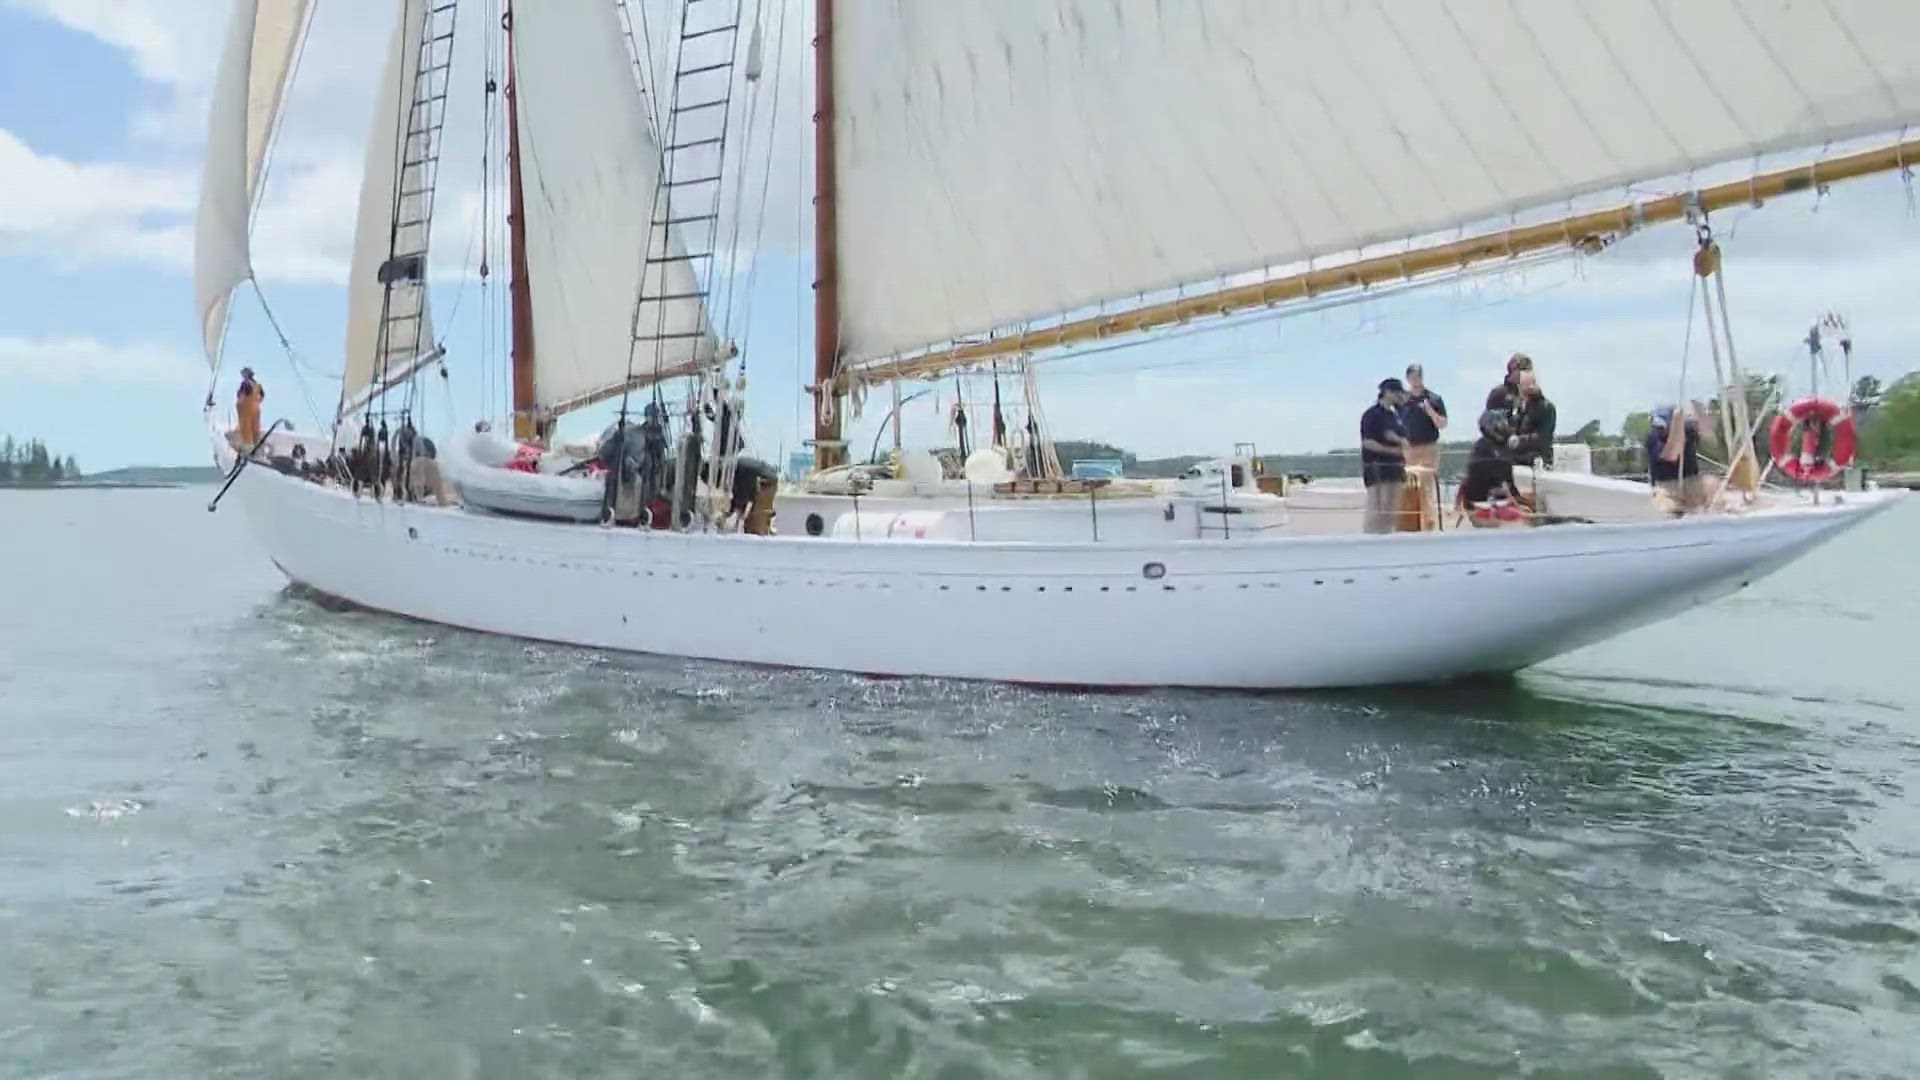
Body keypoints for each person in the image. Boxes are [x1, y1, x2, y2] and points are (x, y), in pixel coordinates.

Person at [1457, 409, 1534, 524]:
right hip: (1497, 506)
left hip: (1475, 507)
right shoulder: (1501, 454)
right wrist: (1524, 504)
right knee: (1532, 501)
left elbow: (1467, 483)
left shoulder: (1478, 449)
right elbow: (1508, 488)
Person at [1359, 377, 1409, 534]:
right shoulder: (1372, 414)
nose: (1399, 396)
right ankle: (1371, 537)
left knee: (1392, 508)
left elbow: (1403, 437)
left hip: (1396, 467)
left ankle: (1387, 535)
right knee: (1379, 505)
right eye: (1397, 393)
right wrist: (1391, 450)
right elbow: (1368, 442)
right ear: (1387, 392)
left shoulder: (1396, 416)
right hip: (1378, 466)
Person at [1646, 404, 1706, 514]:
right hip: (1666, 488)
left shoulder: (1689, 432)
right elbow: (1672, 455)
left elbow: (1709, 439)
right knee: (1666, 509)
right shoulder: (1654, 438)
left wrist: (1698, 412)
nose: (1660, 429)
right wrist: (1678, 426)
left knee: (1715, 490)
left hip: (1692, 483)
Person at [1398, 363, 1447, 471]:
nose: (1416, 380)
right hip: (1408, 449)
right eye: (1412, 377)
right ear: (1407, 379)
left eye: (1418, 377)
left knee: (1428, 482)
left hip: (1428, 447)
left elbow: (1442, 424)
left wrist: (1431, 411)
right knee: (1410, 484)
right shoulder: (1402, 401)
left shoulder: (1434, 399)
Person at [1509, 370, 1557, 468]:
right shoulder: (1522, 407)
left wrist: (1518, 440)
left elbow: (1543, 437)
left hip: (1538, 462)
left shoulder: (1546, 407)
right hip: (1520, 460)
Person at [235, 367, 266, 449]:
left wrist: (239, 404)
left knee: (246, 428)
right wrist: (257, 401)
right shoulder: (257, 385)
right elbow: (262, 395)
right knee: (255, 428)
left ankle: (248, 446)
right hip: (256, 409)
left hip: (246, 410)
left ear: (246, 375)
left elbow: (241, 395)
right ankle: (256, 445)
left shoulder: (245, 384)